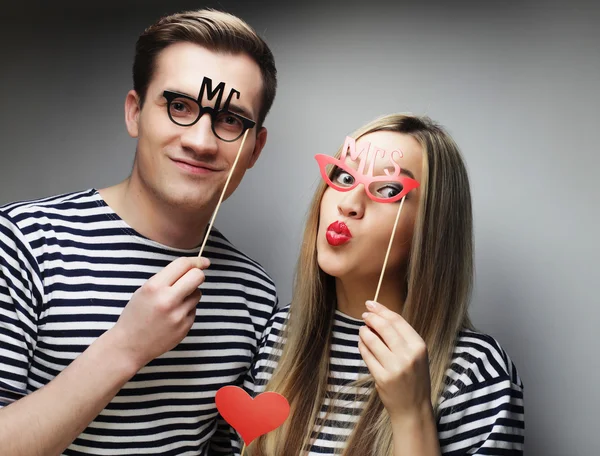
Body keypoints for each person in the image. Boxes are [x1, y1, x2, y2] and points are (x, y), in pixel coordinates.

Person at [0, 9, 278, 456]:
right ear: (135, 113)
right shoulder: (22, 244)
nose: (201, 141)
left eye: (230, 121)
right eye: (180, 106)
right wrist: (125, 348)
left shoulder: (256, 296)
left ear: (254, 148)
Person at [234, 114, 524, 455]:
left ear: (431, 226)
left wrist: (411, 414)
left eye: (388, 190)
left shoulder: (474, 371)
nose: (349, 204)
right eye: (344, 176)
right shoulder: (276, 336)